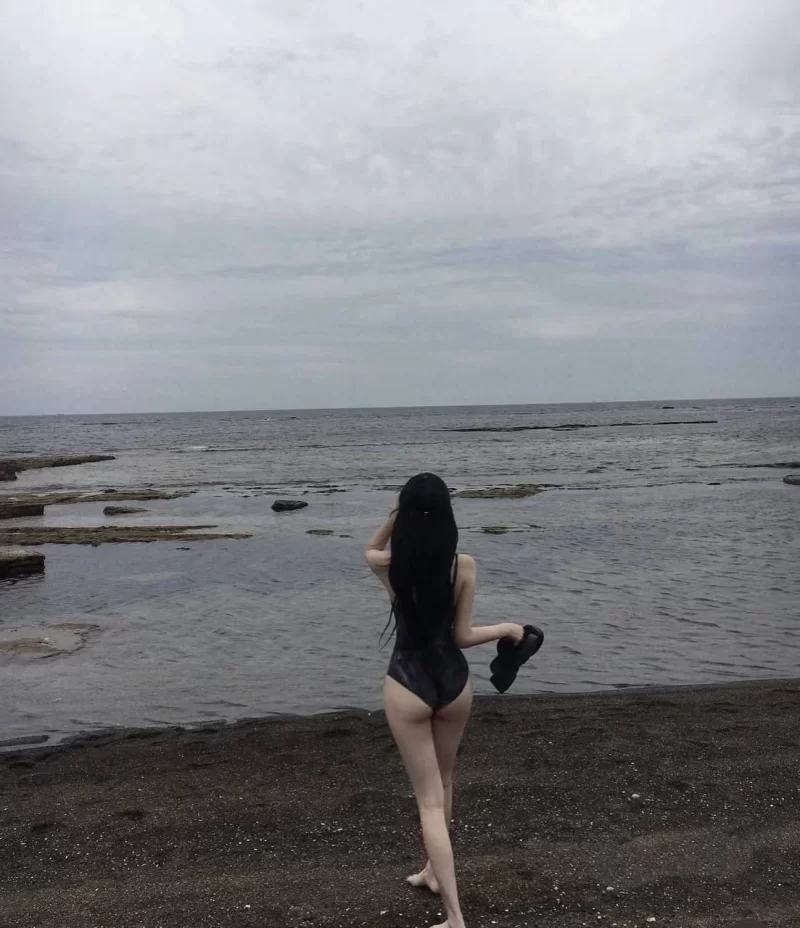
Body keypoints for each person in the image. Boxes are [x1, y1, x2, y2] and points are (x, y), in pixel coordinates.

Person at [365, 472, 526, 928]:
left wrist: (395, 516)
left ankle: (455, 917)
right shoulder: (463, 565)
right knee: (445, 782)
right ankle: (432, 872)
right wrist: (507, 628)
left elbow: (369, 548)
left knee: (429, 801)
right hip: (454, 683)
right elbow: (461, 636)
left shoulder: (389, 565)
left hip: (407, 683)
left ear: (405, 515)